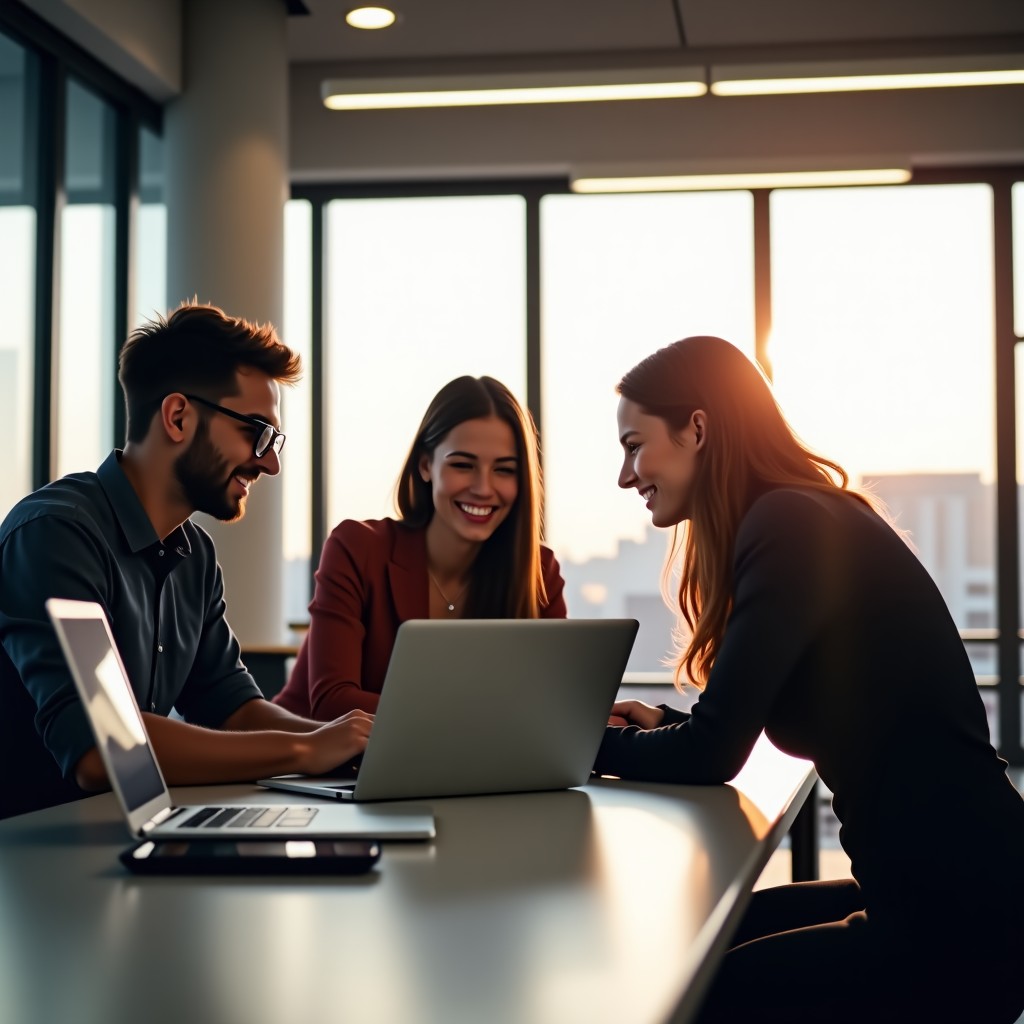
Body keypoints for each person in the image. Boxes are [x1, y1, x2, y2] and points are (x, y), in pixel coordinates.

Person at [596, 336, 1024, 1023]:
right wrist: (667, 725)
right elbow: (738, 725)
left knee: (708, 989)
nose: (625, 474)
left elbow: (713, 754)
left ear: (698, 429)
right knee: (707, 934)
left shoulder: (787, 521)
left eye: (634, 444)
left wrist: (572, 746)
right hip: (944, 890)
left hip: (957, 922)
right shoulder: (802, 512)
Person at [0, 302, 371, 820]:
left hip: (127, 835)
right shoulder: (56, 534)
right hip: (32, 861)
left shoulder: (194, 554)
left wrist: (355, 744)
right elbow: (104, 747)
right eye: (256, 431)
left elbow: (232, 709)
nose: (271, 462)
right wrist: (307, 751)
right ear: (178, 417)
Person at [274, 375, 566, 720]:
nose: (483, 488)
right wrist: (483, 717)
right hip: (314, 766)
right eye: (462, 465)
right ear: (426, 465)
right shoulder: (358, 549)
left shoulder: (539, 570)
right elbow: (334, 703)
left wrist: (605, 715)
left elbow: (552, 705)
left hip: (456, 769)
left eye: (504, 470)